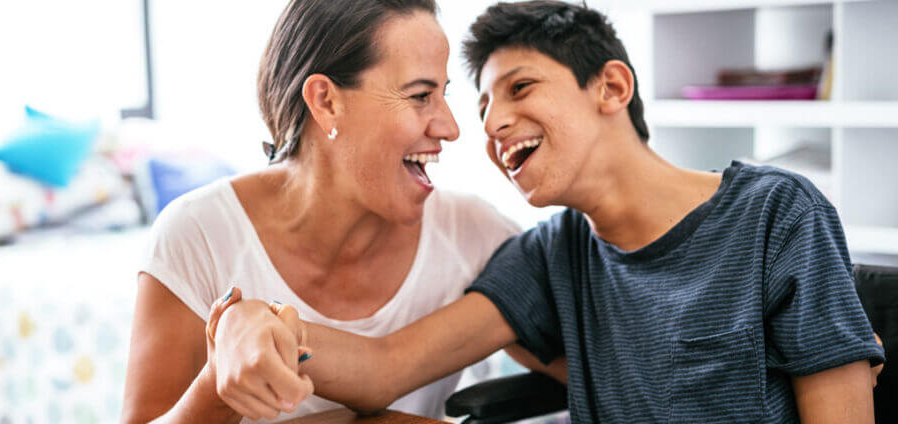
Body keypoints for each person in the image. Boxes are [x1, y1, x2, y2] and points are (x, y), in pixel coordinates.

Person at [212, 1, 887, 422]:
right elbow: (384, 366)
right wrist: (255, 324)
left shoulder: (777, 214)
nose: (491, 124)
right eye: (483, 107)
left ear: (611, 87)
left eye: (521, 87)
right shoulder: (550, 254)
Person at [119, 1, 561, 423]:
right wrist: (219, 384)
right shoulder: (196, 235)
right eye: (420, 95)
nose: (451, 128)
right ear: (326, 101)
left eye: (442, 94)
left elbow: (578, 360)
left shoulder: (475, 235)